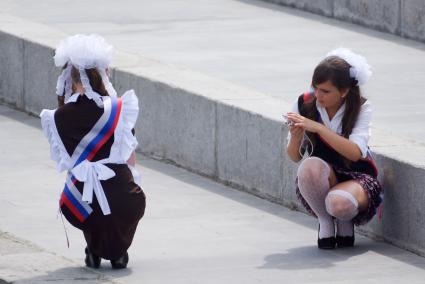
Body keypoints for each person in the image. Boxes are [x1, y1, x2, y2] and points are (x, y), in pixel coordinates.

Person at [40, 34, 146, 268]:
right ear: (103, 75)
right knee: (126, 199)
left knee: (87, 196)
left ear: (72, 79)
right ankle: (119, 252)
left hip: (80, 199)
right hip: (121, 191)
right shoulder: (118, 109)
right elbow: (130, 156)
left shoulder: (57, 117)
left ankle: (93, 249)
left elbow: (66, 164)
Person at [285, 48, 382, 249]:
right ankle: (325, 221)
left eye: (326, 91)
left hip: (356, 175)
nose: (318, 96)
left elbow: (355, 153)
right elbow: (294, 157)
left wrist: (319, 128)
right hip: (323, 175)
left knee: (339, 204)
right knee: (309, 166)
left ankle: (345, 220)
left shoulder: (361, 107)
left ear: (344, 91)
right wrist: (296, 138)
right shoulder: (304, 103)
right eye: (316, 88)